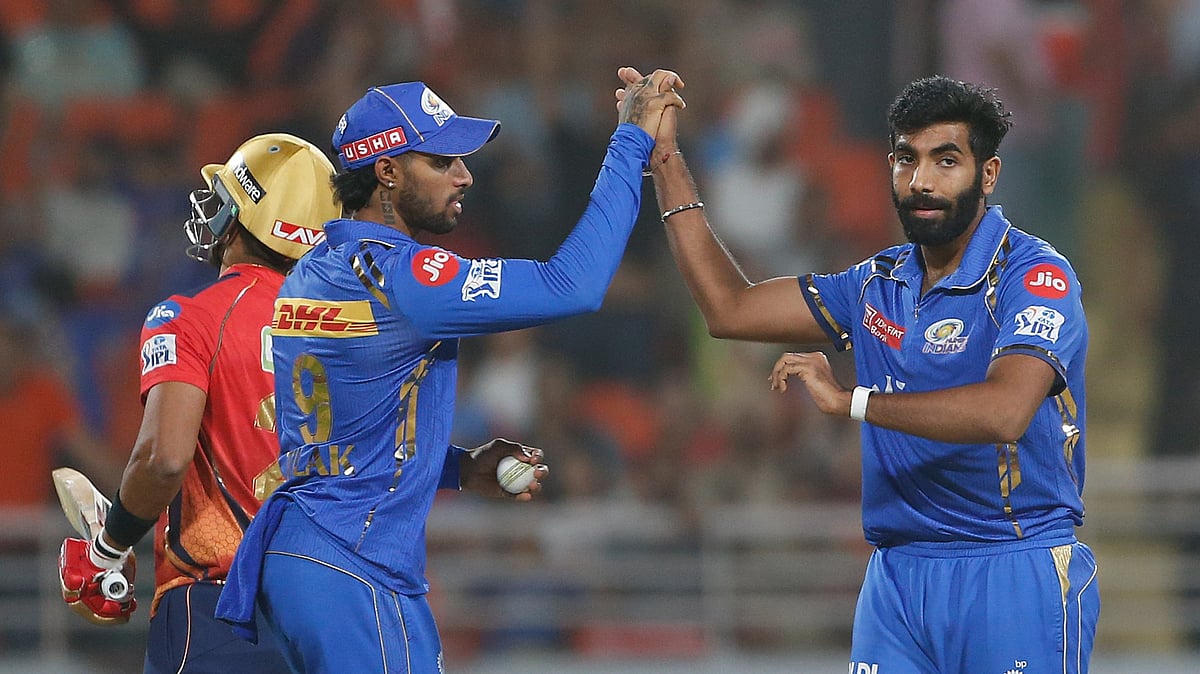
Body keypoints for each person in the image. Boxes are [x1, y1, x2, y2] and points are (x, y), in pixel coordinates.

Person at [619, 70, 1099, 672]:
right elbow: (729, 307)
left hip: (1012, 565)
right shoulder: (876, 283)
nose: (921, 181)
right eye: (906, 159)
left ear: (988, 174)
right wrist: (664, 160)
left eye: (946, 160)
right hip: (897, 577)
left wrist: (854, 401)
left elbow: (1004, 412)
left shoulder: (1035, 277)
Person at [214, 71, 684, 672]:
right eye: (441, 161)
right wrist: (630, 143)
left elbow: (351, 441)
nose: (464, 175)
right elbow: (576, 284)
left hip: (310, 556)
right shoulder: (405, 278)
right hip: (353, 564)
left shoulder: (316, 267)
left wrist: (459, 467)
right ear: (386, 171)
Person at [57, 133, 343, 673]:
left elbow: (163, 459)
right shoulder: (352, 331)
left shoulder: (191, 316)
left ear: (239, 218)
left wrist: (107, 548)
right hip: (335, 613)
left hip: (221, 609)